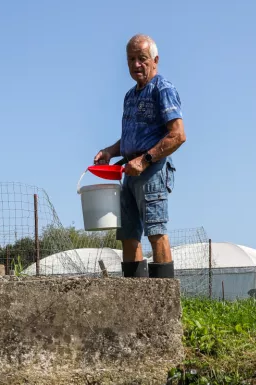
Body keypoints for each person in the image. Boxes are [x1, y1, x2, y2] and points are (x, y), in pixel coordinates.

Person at [94, 34, 186, 279]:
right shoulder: (130, 96)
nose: (136, 64)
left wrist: (145, 160)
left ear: (155, 60)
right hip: (129, 172)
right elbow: (132, 137)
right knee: (128, 234)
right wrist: (110, 151)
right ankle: (134, 295)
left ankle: (163, 296)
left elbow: (178, 135)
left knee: (156, 231)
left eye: (142, 58)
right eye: (131, 59)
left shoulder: (162, 89)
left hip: (152, 170)